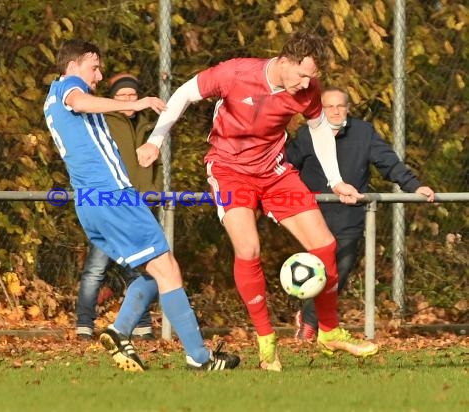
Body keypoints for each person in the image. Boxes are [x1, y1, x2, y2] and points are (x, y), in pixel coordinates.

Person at [137, 31, 379, 372]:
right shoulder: (236, 73)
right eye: (302, 75)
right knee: (248, 250)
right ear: (285, 60)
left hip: (275, 172)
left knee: (325, 245)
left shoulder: (308, 88)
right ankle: (267, 345)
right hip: (229, 170)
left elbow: (319, 129)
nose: (307, 83)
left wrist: (336, 181)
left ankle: (328, 331)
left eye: (312, 76)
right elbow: (183, 95)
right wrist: (155, 140)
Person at [43, 39, 240, 372]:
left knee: (154, 273)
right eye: (95, 67)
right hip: (113, 196)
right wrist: (130, 104)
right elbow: (78, 101)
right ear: (73, 66)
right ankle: (198, 356)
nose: (99, 75)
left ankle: (120, 333)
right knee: (169, 269)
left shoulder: (50, 97)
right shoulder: (70, 85)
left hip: (91, 201)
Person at [287, 86, 435, 340]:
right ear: (320, 109)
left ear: (348, 108)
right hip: (312, 214)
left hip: (348, 216)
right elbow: (287, 165)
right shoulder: (306, 134)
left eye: (340, 106)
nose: (334, 111)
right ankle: (310, 321)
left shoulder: (363, 133)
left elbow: (388, 163)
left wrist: (414, 186)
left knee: (339, 269)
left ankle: (312, 321)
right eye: (329, 106)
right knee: (316, 270)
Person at [75, 73, 163, 341]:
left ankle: (141, 323)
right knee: (96, 268)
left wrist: (153, 194)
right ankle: (84, 323)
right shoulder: (103, 123)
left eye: (133, 96)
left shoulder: (148, 126)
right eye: (122, 96)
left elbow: (155, 166)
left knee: (137, 268)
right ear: (112, 98)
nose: (128, 100)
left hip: (138, 206)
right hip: (110, 204)